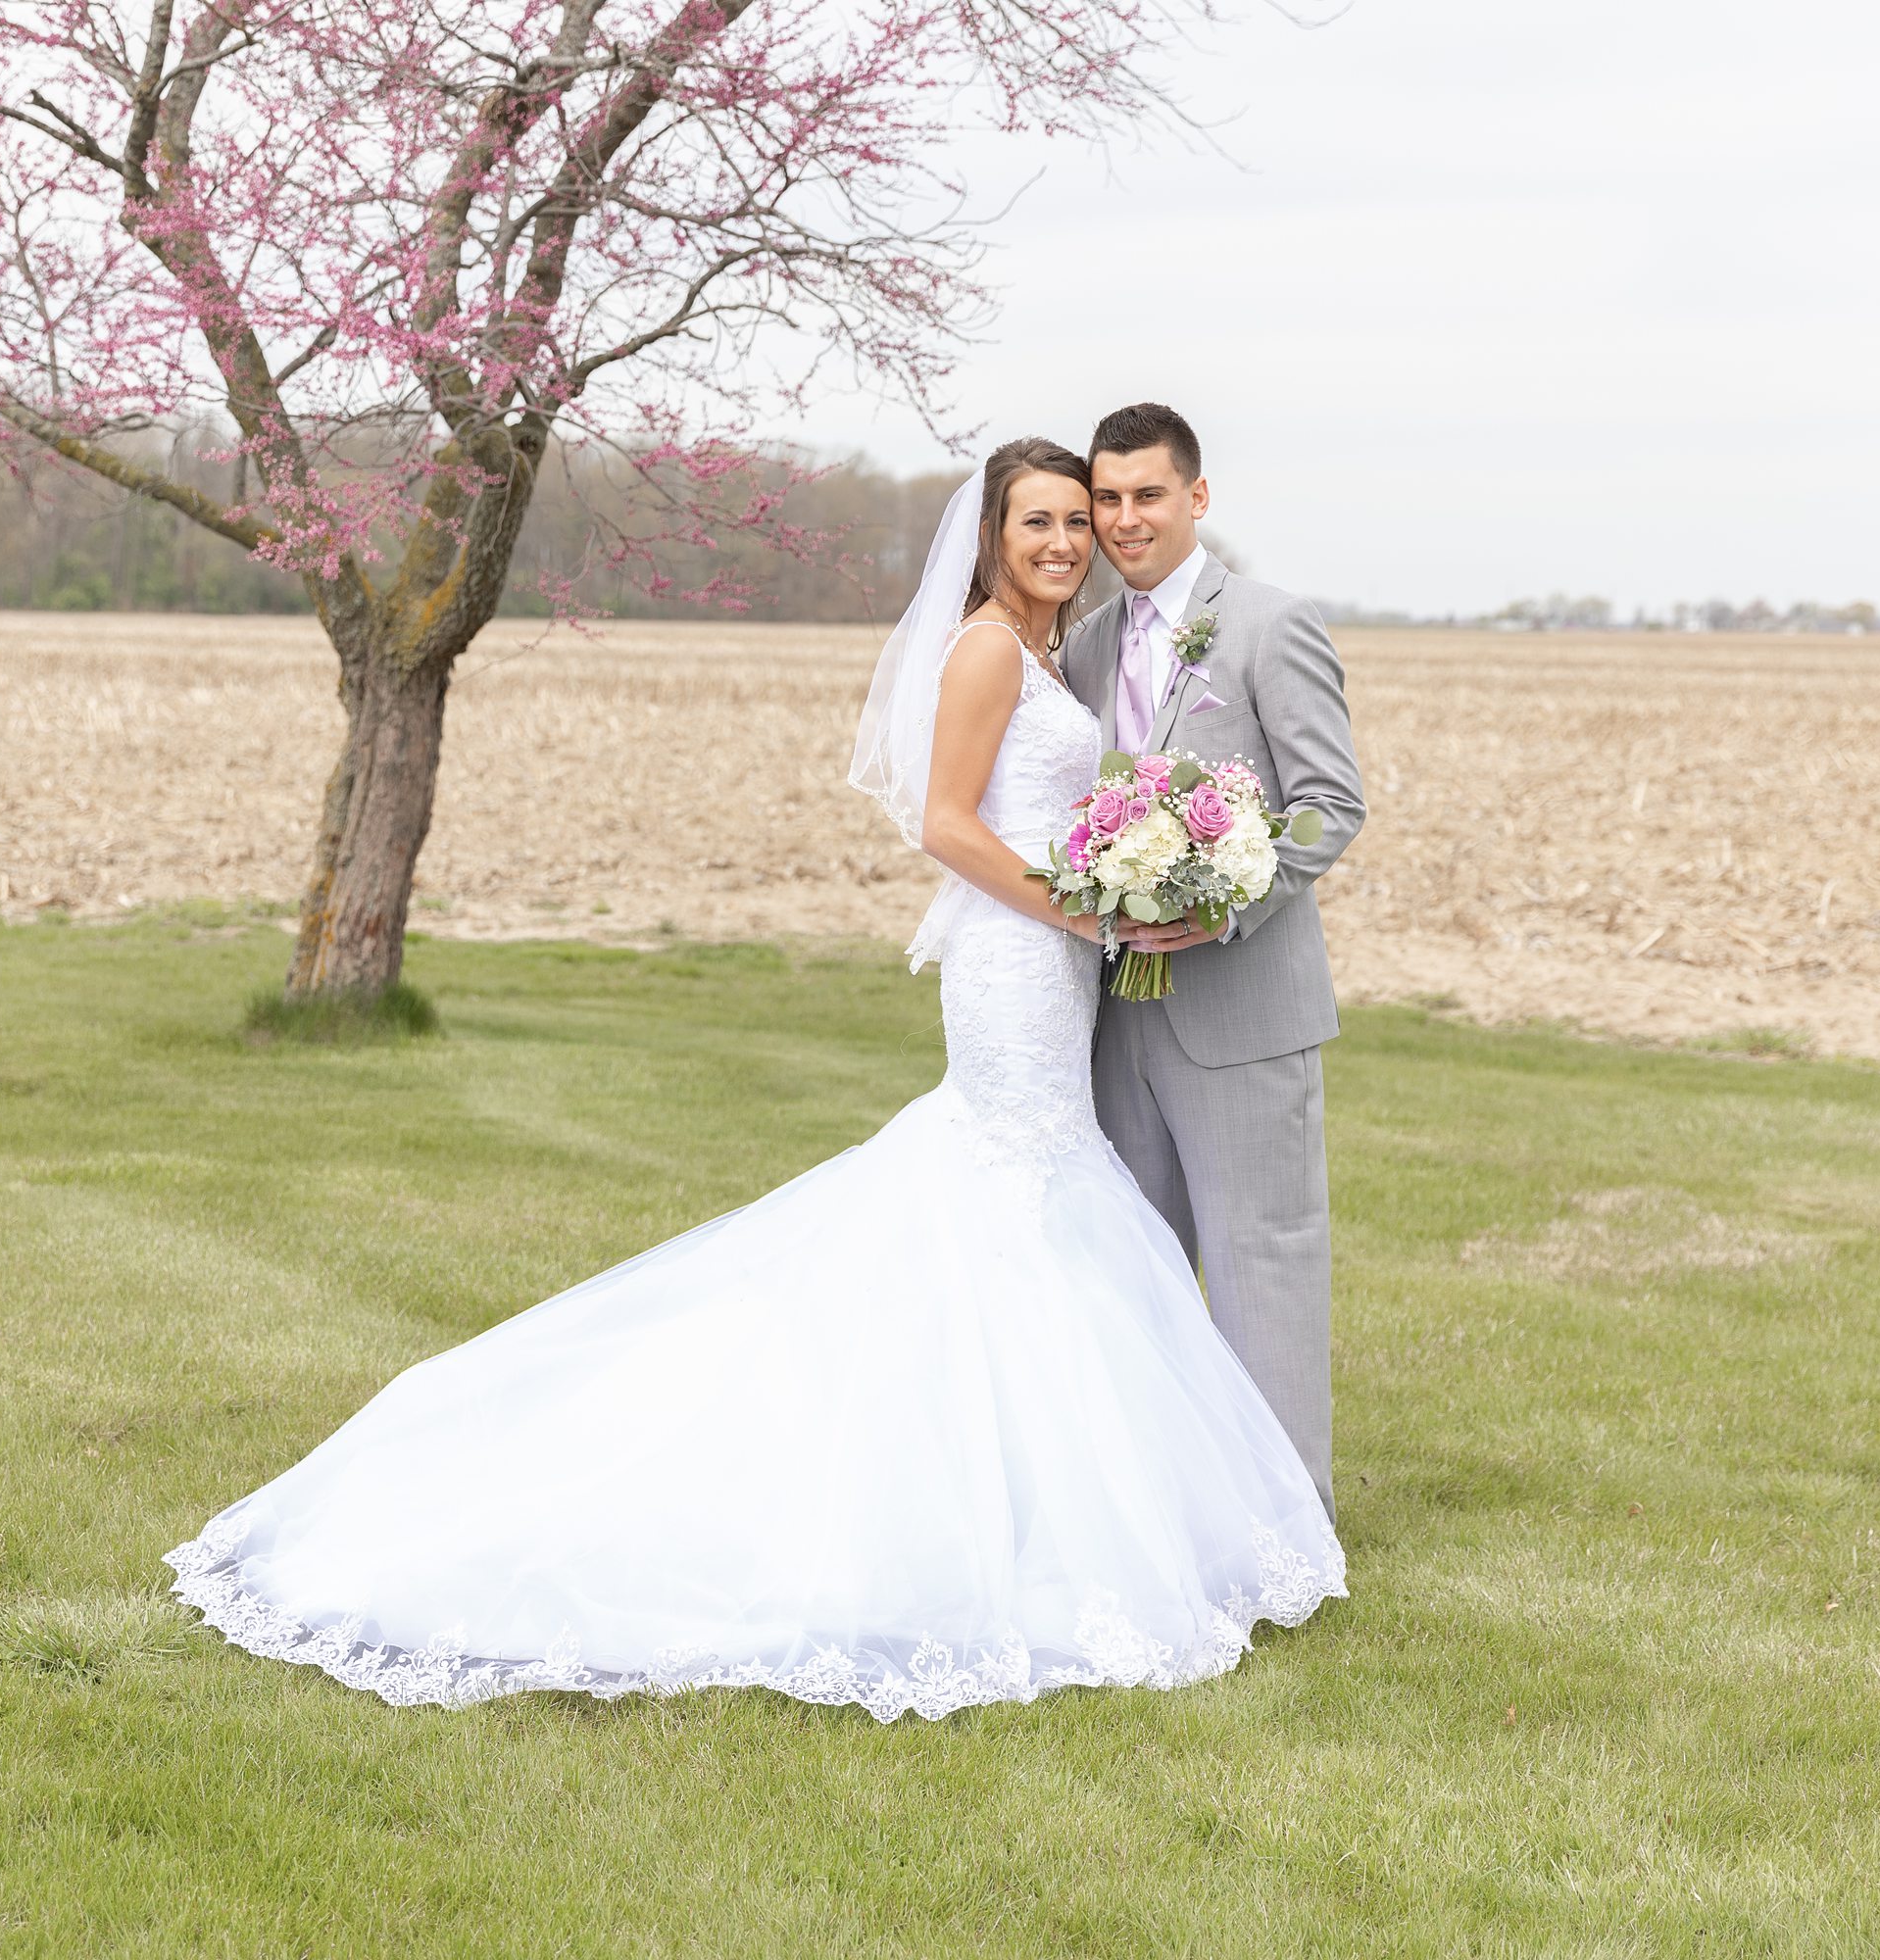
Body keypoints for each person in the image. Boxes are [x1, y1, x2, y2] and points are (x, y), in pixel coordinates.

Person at [165, 437, 1344, 1722]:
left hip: (1059, 969)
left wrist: (1118, 890)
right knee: (1010, 1200)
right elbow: (947, 824)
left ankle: (1050, 1508)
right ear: (993, 537)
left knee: (1052, 1206)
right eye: (1040, 522)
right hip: (1020, 960)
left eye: (1081, 520)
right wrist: (1086, 910)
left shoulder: (1062, 647)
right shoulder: (989, 649)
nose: (1066, 541)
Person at [1064, 402, 1366, 1520]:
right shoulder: (1085, 644)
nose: (1125, 518)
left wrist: (1223, 904)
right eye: (1108, 498)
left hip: (1242, 1009)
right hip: (1113, 1013)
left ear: (1197, 497)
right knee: (1130, 1272)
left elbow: (1332, 805)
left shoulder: (1272, 624)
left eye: (1148, 494)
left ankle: (1289, 1531)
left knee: (1263, 1272)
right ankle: (1158, 1522)